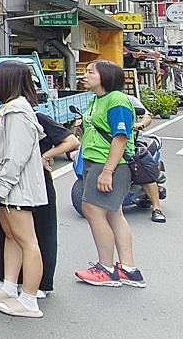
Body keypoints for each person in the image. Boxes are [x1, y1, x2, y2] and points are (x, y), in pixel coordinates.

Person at [0, 108, 80, 299]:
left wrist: (45, 156)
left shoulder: (35, 117)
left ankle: (41, 284)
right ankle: (7, 279)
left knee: (41, 232)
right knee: (8, 231)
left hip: (37, 182)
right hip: (9, 180)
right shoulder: (0, 113)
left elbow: (72, 141)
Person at [0, 61, 47, 318]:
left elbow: (16, 154)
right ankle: (9, 286)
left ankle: (29, 299)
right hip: (4, 186)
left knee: (27, 241)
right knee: (10, 235)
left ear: (9, 79)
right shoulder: (8, 107)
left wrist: (3, 186)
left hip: (15, 187)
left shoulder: (17, 110)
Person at [74, 60, 145, 288]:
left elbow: (120, 137)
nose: (84, 75)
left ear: (105, 76)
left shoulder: (116, 100)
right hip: (97, 161)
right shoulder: (96, 99)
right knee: (115, 213)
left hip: (109, 164)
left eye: (90, 72)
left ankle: (105, 268)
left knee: (93, 210)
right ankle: (128, 269)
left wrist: (107, 171)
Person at [130, 95, 166, 223]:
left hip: (132, 141)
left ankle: (156, 208)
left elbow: (146, 116)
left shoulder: (129, 100)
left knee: (143, 166)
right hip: (105, 144)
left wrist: (140, 124)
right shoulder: (95, 100)